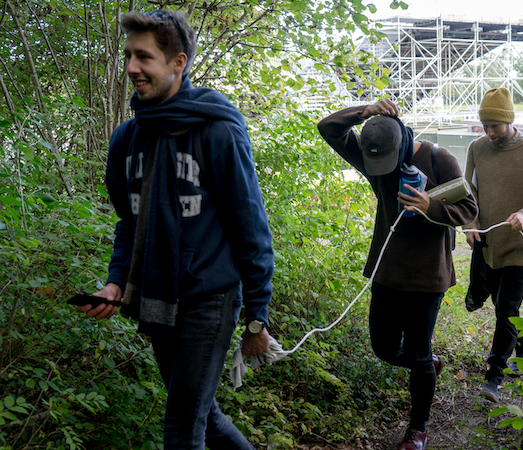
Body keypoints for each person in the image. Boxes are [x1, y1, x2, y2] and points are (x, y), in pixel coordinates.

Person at [76, 10, 273, 450]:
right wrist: (114, 282)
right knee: (204, 418)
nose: (131, 68)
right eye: (128, 56)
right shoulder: (127, 140)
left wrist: (257, 315)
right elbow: (130, 221)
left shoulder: (217, 131)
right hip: (156, 298)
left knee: (182, 433)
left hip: (210, 299)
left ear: (178, 63)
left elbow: (250, 227)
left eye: (143, 57)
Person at [317, 99, 478, 450]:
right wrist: (365, 111)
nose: (382, 168)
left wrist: (429, 205)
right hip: (386, 270)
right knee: (384, 348)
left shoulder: (440, 159)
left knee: (418, 353)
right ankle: (429, 365)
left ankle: (417, 429)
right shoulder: (374, 153)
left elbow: (469, 209)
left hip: (427, 276)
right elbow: (328, 128)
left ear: (403, 142)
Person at [463, 87, 523, 403]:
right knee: (502, 304)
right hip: (489, 242)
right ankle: (522, 345)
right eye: (485, 125)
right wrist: (470, 224)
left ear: (510, 121)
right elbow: (468, 194)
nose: (490, 132)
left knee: (506, 306)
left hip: (522, 242)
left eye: (496, 126)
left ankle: (493, 376)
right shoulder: (477, 149)